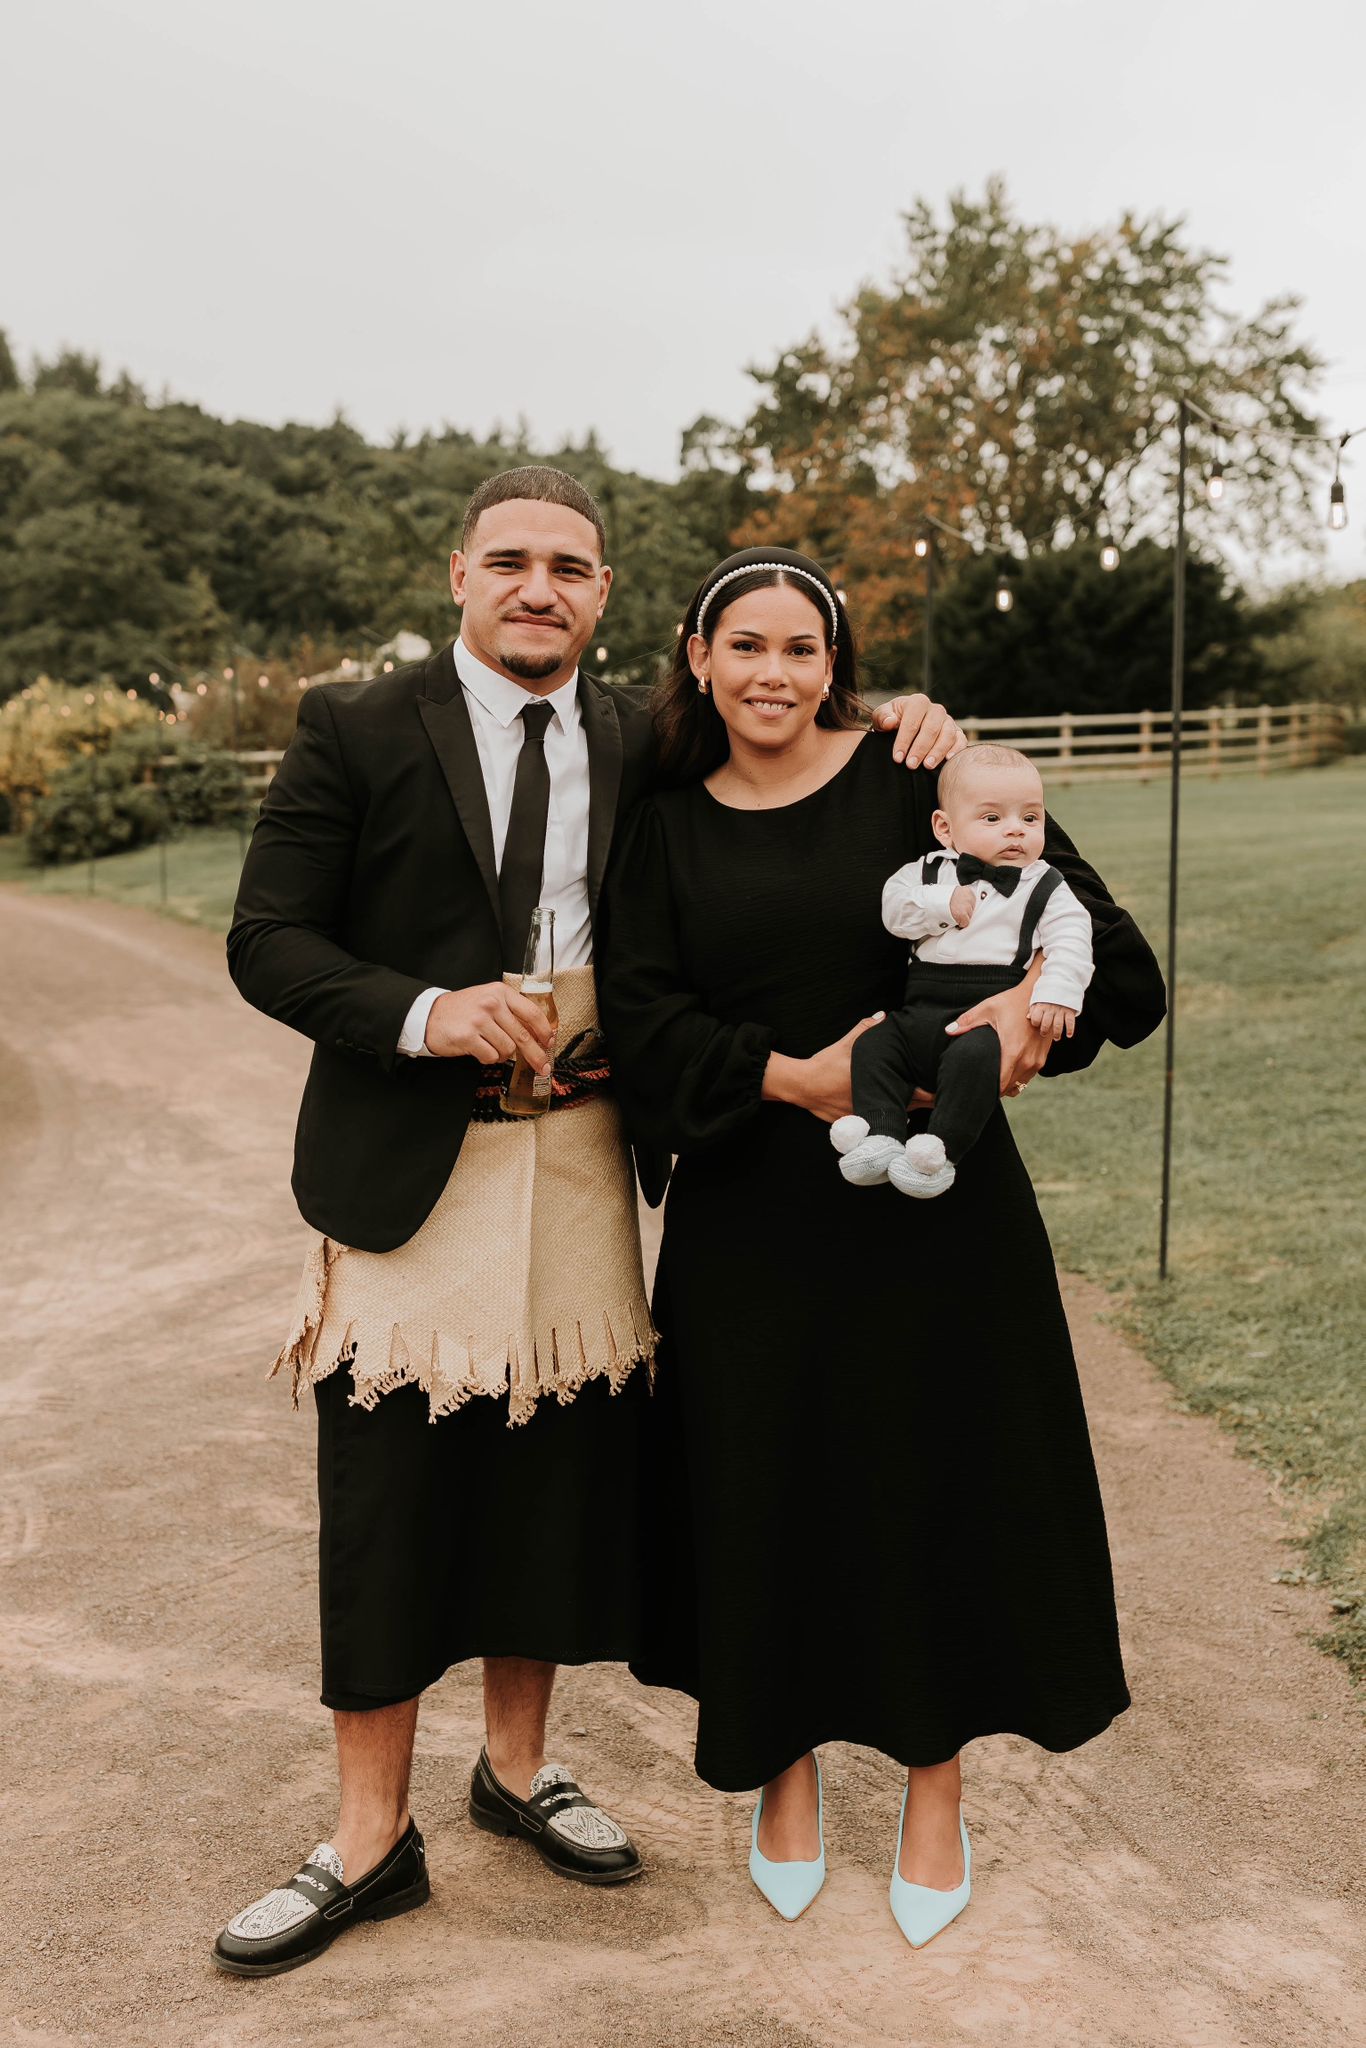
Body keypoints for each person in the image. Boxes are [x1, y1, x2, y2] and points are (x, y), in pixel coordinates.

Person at [214, 477, 961, 1976]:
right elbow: (267, 939)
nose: (538, 587)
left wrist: (910, 719)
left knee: (554, 1471)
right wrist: (425, 1015)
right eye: (510, 563)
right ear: (459, 578)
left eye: (569, 566)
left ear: (610, 595)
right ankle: (368, 1835)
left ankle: (516, 1768)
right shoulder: (354, 726)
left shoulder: (642, 734)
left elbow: (785, 721)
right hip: (408, 1163)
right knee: (393, 1485)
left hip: (584, 1159)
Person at [597, 546, 1165, 1949]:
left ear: (834, 663)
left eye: (801, 649)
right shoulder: (663, 825)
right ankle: (778, 1775)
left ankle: (931, 1788)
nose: (772, 674)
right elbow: (645, 1024)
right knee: (764, 1491)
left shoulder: (919, 778)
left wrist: (1030, 1017)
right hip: (753, 1215)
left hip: (937, 1215)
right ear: (696, 655)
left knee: (931, 1487)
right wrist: (791, 1077)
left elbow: (1111, 968)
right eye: (747, 647)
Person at [832, 743, 1094, 1198]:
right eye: (993, 819)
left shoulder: (1045, 884)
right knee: (874, 1045)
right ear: (945, 828)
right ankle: (880, 1136)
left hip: (985, 1011)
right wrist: (943, 904)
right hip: (920, 1007)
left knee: (974, 1063)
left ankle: (939, 1153)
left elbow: (1073, 936)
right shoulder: (926, 873)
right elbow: (894, 912)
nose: (1015, 831)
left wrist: (1057, 992)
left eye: (1030, 818)